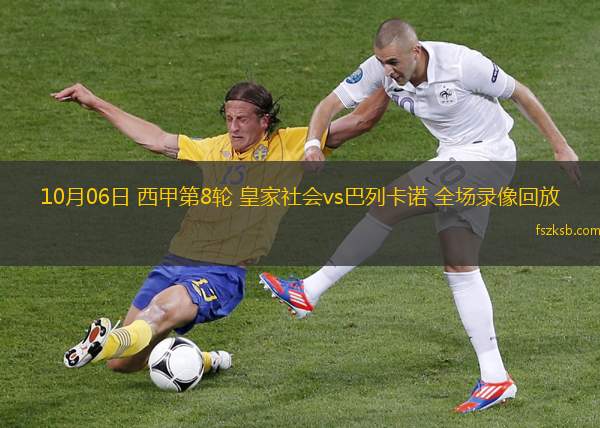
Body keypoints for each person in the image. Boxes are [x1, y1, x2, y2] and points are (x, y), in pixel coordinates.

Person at [259, 19, 581, 413]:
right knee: (460, 267)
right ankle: (496, 378)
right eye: (382, 62)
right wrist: (312, 144)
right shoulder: (382, 69)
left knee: (390, 201)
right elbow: (330, 106)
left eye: (393, 62)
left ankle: (309, 290)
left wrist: (560, 147)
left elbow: (520, 93)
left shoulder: (462, 64)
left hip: (488, 157)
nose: (387, 70)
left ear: (416, 51)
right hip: (455, 156)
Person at [53, 81, 388, 375]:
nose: (234, 128)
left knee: (161, 309)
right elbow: (156, 139)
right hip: (175, 261)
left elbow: (360, 121)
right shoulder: (214, 147)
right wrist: (96, 103)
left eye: (242, 119)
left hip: (221, 273)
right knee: (124, 364)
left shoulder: (292, 144)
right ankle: (204, 360)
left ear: (264, 121)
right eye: (229, 119)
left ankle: (105, 341)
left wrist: (388, 80)